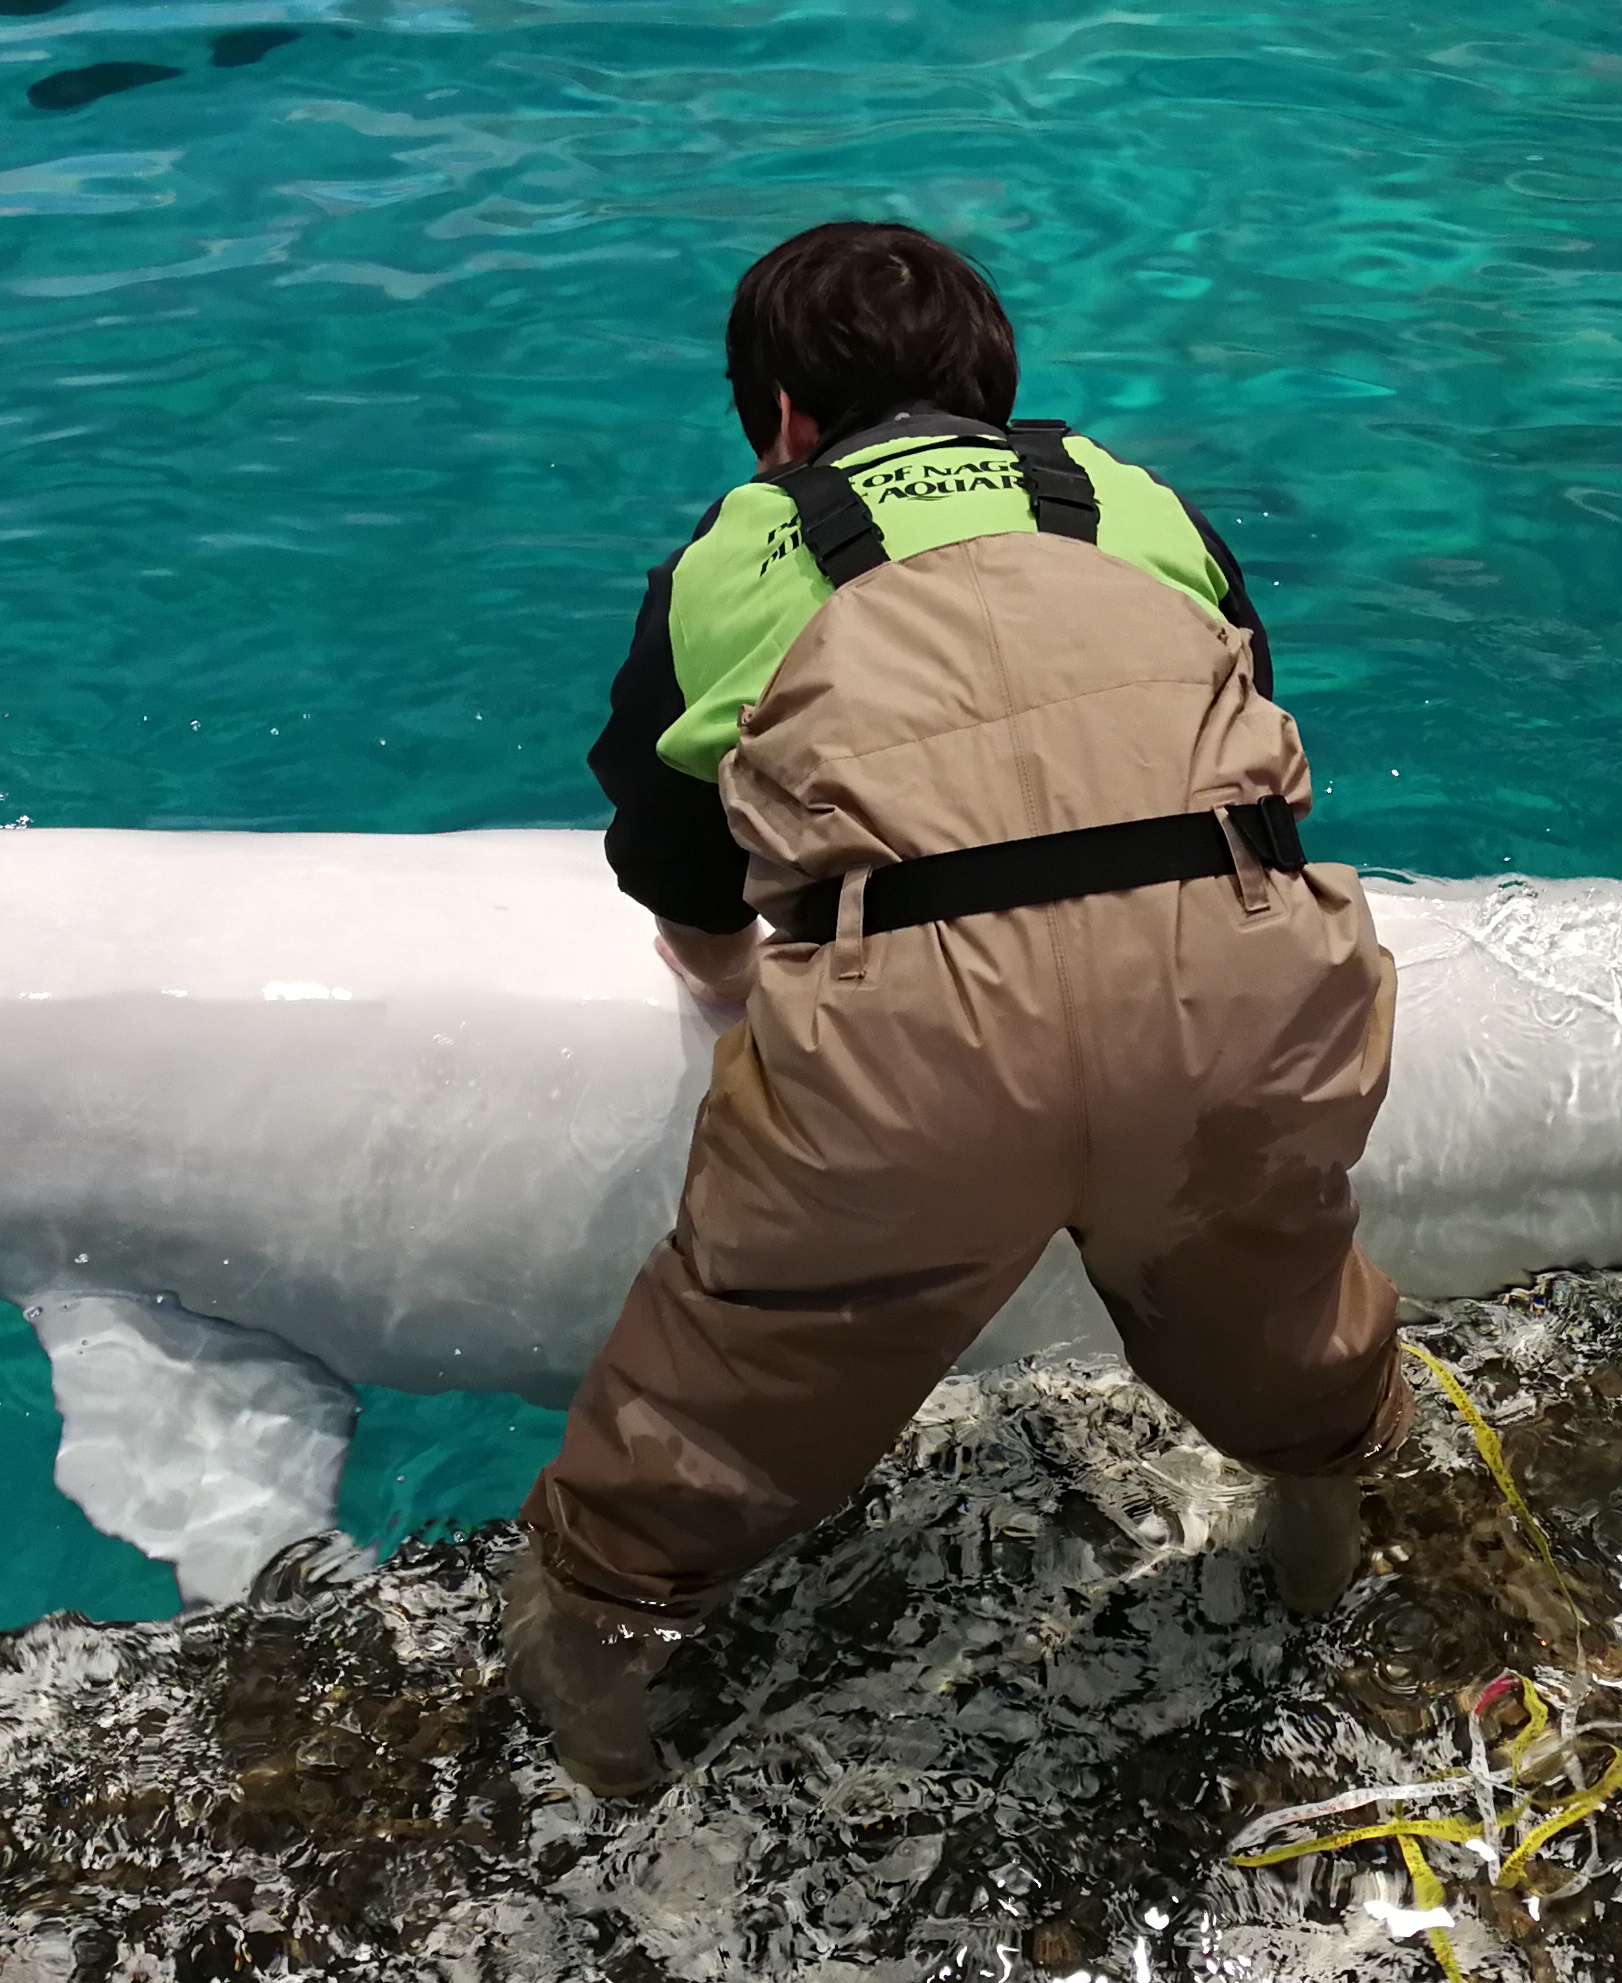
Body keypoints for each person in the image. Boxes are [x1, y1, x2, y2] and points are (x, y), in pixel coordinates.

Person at [500, 219, 1411, 1794]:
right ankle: (1319, 1546)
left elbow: (680, 874)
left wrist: (736, 988)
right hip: (1245, 971)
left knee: (724, 1396)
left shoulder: (733, 555)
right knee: (1282, 1313)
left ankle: (594, 1710)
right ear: (999, 397)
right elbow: (1240, 734)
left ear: (780, 418)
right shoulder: (1137, 506)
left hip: (923, 1040)